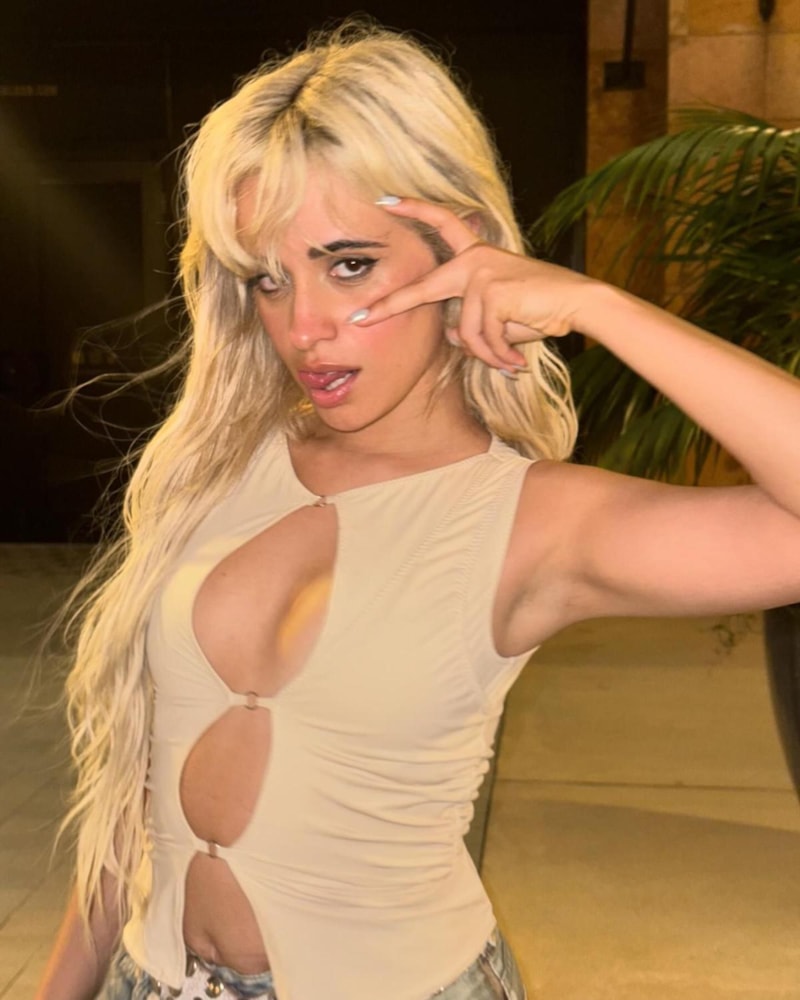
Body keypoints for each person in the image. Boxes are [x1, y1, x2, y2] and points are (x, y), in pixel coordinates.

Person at [35, 21, 800, 1000]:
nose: (304, 326)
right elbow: (130, 797)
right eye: (270, 278)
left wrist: (593, 305)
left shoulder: (531, 521)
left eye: (349, 263)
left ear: (459, 246)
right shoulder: (216, 465)